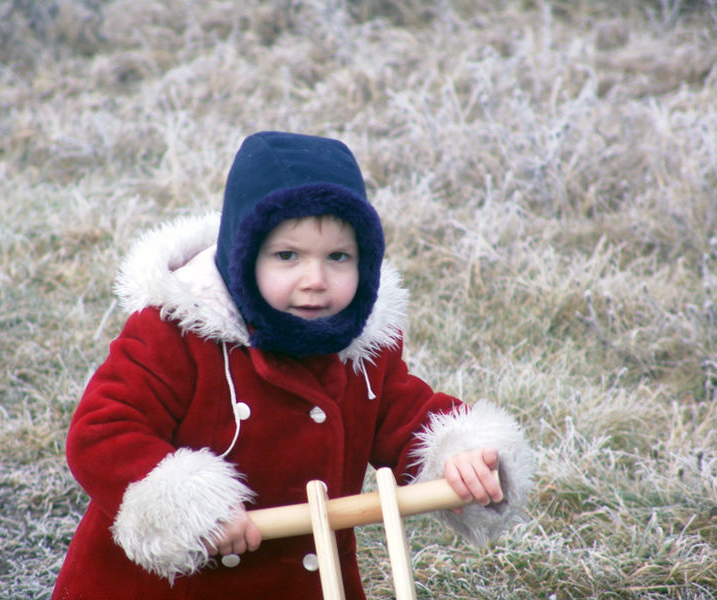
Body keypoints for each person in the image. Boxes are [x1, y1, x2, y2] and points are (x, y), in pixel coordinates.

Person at [52, 131, 535, 600]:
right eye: (287, 255)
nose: (315, 280)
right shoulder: (176, 332)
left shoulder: (360, 348)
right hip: (172, 588)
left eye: (339, 257)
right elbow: (102, 431)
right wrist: (187, 507)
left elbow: (404, 417)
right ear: (242, 256)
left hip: (305, 581)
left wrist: (458, 453)